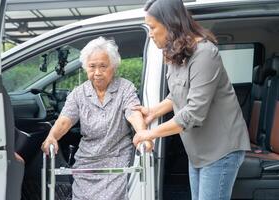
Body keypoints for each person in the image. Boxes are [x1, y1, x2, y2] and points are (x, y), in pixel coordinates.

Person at [133, 0, 251, 200]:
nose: (150, 33)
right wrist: (153, 112)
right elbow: (177, 94)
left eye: (152, 27)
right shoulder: (175, 53)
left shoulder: (205, 53)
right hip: (198, 151)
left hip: (221, 150)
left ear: (170, 24)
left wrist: (149, 134)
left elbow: (194, 113)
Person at [41, 36, 152, 200]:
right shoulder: (78, 93)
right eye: (92, 67)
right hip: (87, 160)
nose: (97, 72)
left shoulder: (125, 87)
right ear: (86, 67)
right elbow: (65, 120)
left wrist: (143, 135)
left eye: (103, 66)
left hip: (116, 156)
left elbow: (133, 113)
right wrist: (52, 137)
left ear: (113, 67)